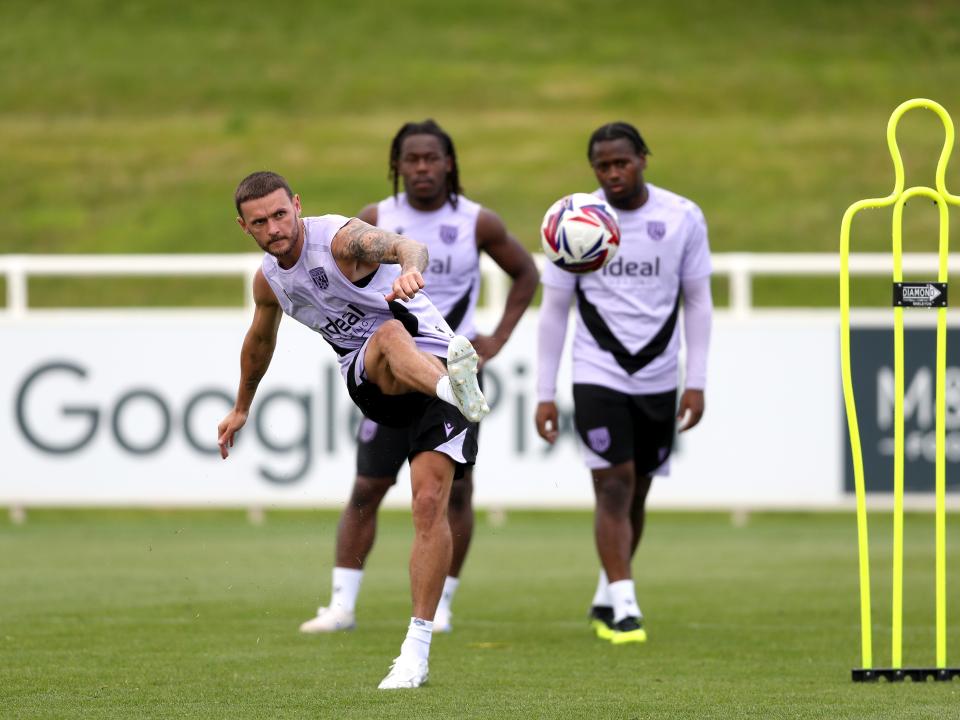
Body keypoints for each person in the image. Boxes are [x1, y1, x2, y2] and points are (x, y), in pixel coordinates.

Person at [218, 170, 491, 689]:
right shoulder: (269, 280)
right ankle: (454, 391)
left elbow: (407, 246)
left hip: (432, 357)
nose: (274, 227)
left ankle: (415, 653)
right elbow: (259, 341)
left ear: (297, 205)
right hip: (376, 382)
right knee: (386, 334)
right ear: (244, 227)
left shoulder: (342, 241)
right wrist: (241, 407)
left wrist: (410, 270)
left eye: (280, 213)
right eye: (260, 222)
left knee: (429, 504)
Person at [299, 120, 538, 636]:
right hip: (393, 375)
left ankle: (443, 601)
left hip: (453, 370)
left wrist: (495, 339)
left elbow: (527, 274)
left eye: (432, 158)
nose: (423, 167)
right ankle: (342, 604)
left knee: (455, 495)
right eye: (412, 159)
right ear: (397, 166)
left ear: (449, 163)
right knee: (368, 486)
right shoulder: (374, 220)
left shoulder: (478, 223)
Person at [535, 122, 713, 645]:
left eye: (622, 162)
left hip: (659, 374)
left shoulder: (682, 217)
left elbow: (698, 301)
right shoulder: (573, 221)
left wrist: (695, 380)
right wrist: (545, 391)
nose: (613, 173)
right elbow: (555, 310)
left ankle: (606, 592)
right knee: (613, 485)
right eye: (602, 165)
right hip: (597, 371)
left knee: (637, 493)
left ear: (643, 159)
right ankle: (628, 608)